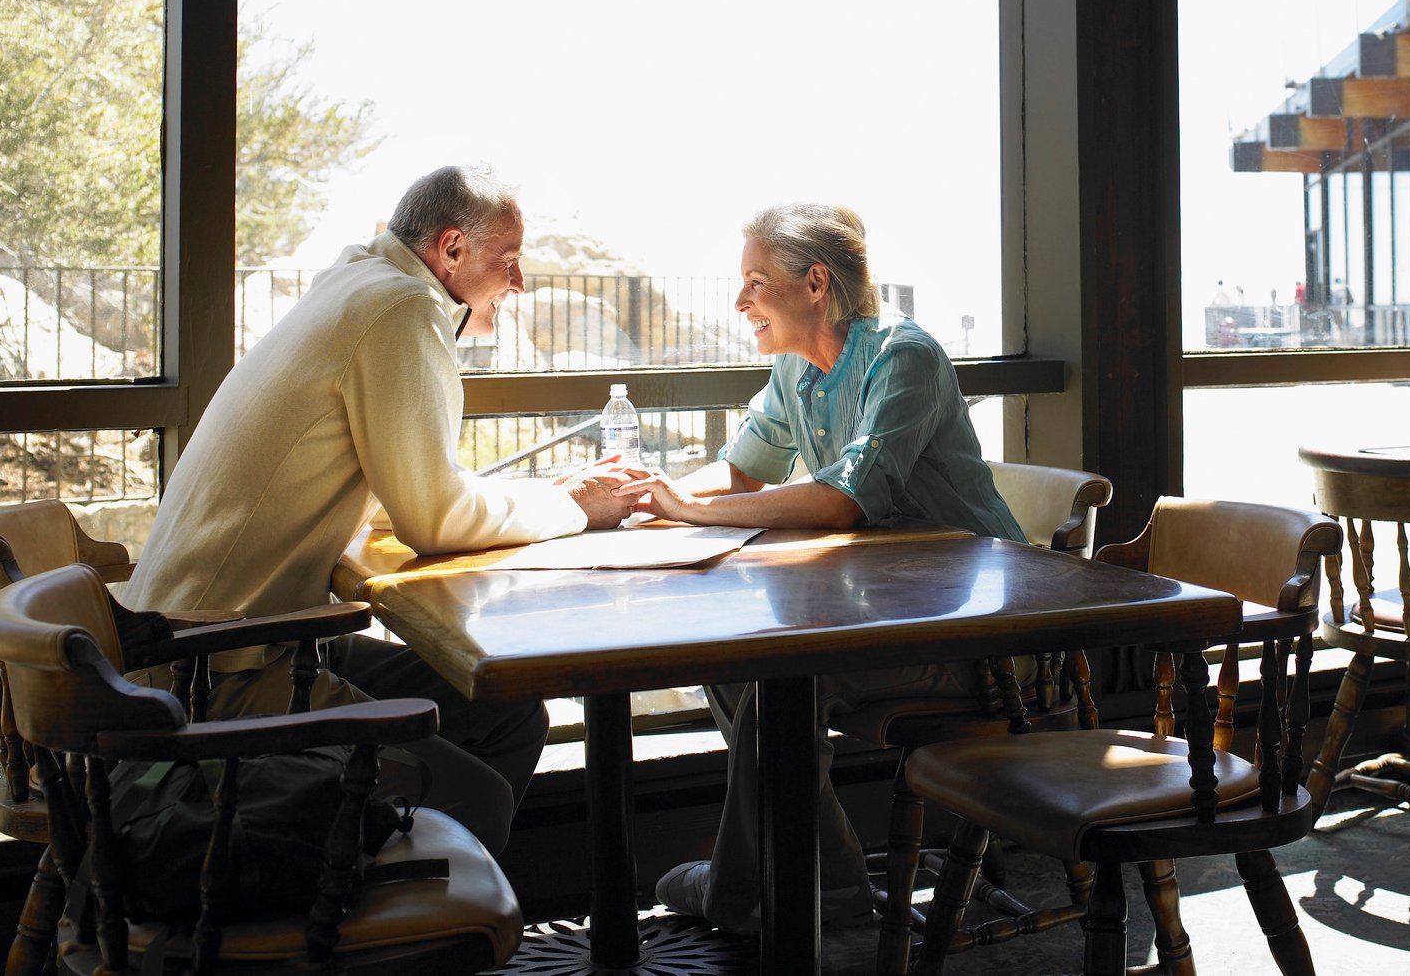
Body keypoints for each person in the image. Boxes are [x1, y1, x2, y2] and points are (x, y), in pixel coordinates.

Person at [126, 165, 637, 854]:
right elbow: (432, 517)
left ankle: (390, 877)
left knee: (509, 714)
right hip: (218, 667)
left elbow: (410, 498)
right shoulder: (399, 307)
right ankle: (408, 935)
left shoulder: (357, 283)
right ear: (451, 249)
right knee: (474, 793)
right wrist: (574, 507)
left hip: (222, 639)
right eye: (508, 262)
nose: (518, 283)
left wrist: (546, 500)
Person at [618, 203, 1024, 931]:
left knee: (783, 677)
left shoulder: (904, 355)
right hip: (899, 609)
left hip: (980, 634)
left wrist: (690, 512)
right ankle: (826, 880)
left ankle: (740, 888)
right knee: (728, 662)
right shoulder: (795, 371)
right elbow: (743, 472)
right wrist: (638, 498)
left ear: (813, 284)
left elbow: (843, 501)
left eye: (754, 281)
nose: (739, 302)